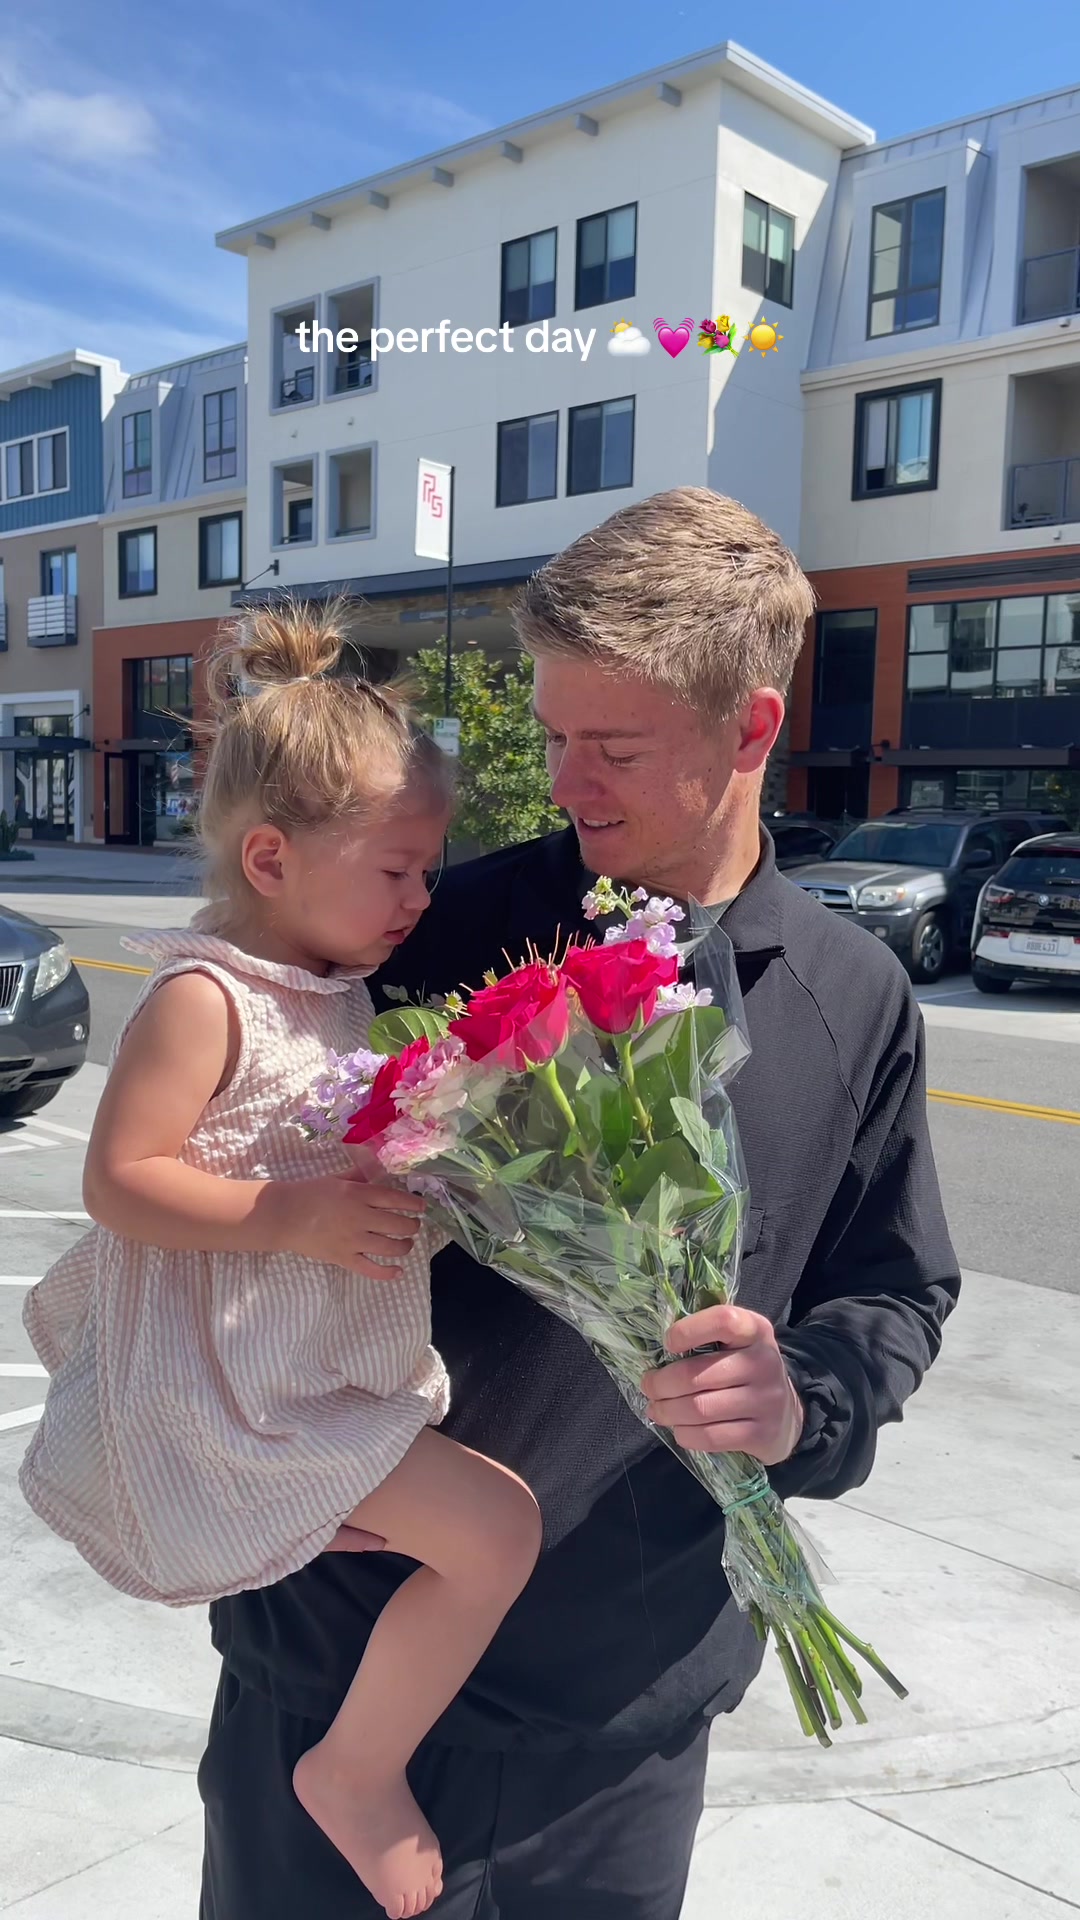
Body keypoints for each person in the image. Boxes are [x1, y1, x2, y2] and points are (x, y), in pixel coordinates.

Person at [200, 488, 962, 1920]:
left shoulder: (853, 998)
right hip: (331, 1674)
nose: (565, 781)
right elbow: (226, 1198)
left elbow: (897, 1287)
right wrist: (247, 1459)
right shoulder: (426, 933)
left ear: (751, 728)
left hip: (620, 1723)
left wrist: (801, 1402)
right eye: (553, 736)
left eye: (612, 747)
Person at [19, 604, 543, 1920]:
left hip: (301, 1374)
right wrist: (290, 1219)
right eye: (400, 870)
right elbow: (118, 1177)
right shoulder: (206, 999)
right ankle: (354, 1772)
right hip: (233, 1392)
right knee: (497, 1531)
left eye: (429, 870)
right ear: (270, 856)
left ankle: (352, 1750)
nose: (423, 899)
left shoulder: (338, 991)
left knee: (480, 1530)